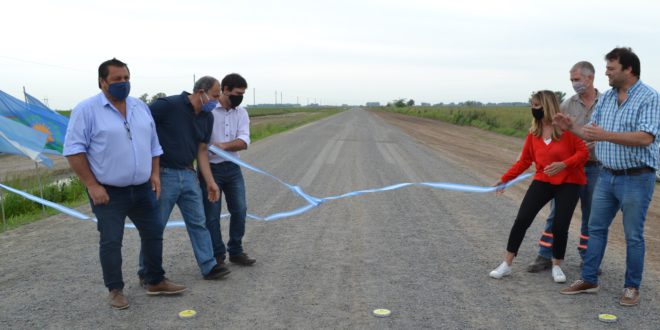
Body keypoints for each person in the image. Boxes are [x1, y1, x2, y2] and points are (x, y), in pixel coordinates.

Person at [63, 58, 185, 310]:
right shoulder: (86, 110)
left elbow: (154, 145)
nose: (123, 83)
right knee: (111, 240)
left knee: (153, 233)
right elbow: (74, 151)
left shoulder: (140, 107)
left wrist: (154, 174)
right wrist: (92, 185)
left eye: (126, 78)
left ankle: (155, 280)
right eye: (117, 79)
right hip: (108, 191)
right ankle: (115, 290)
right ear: (102, 82)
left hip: (142, 188)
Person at [559, 47, 660, 307]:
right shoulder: (607, 98)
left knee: (633, 235)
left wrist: (604, 135)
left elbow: (645, 137)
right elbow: (593, 134)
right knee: (595, 229)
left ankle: (631, 288)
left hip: (636, 178)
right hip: (607, 176)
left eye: (611, 69)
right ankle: (589, 279)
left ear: (628, 69)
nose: (606, 73)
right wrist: (573, 128)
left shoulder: (649, 97)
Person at [137, 76, 231, 283]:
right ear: (200, 92)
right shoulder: (167, 106)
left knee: (199, 222)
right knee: (156, 225)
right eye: (215, 96)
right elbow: (141, 130)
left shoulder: (208, 118)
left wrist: (210, 182)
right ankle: (146, 270)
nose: (217, 100)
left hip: (189, 175)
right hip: (164, 174)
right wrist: (151, 172)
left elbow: (202, 151)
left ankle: (209, 266)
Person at [489, 90, 588, 283]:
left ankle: (557, 265)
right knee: (522, 219)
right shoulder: (534, 133)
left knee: (560, 226)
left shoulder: (566, 128)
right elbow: (524, 161)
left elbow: (583, 153)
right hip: (543, 180)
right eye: (531, 105)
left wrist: (564, 164)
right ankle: (506, 264)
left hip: (569, 182)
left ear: (547, 106)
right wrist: (505, 179)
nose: (533, 109)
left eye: (536, 105)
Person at [527, 62, 602, 273]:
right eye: (571, 80)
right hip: (570, 168)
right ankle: (544, 254)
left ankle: (588, 258)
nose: (574, 83)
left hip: (596, 166)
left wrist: (600, 140)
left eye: (577, 79)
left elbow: (613, 132)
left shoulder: (607, 103)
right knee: (556, 213)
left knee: (591, 214)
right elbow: (556, 133)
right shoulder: (567, 105)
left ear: (590, 78)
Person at [201, 73, 255, 267]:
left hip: (233, 168)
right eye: (237, 93)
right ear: (224, 90)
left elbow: (244, 141)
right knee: (212, 215)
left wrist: (221, 147)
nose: (239, 97)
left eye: (243, 94)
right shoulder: (208, 111)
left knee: (240, 210)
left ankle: (236, 250)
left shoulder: (241, 113)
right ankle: (217, 255)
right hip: (210, 169)